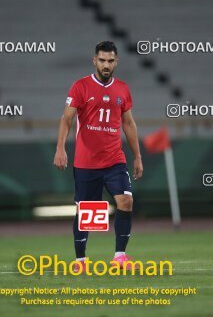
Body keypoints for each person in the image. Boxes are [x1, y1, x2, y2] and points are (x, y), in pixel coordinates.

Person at [53, 41, 143, 272]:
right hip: (86, 163)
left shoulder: (122, 89)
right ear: (94, 60)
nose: (106, 65)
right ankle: (81, 261)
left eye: (110, 61)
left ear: (116, 62)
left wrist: (137, 156)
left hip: (115, 159)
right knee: (88, 213)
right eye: (102, 60)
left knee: (126, 201)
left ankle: (120, 256)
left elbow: (129, 123)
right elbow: (66, 119)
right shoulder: (80, 87)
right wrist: (60, 148)